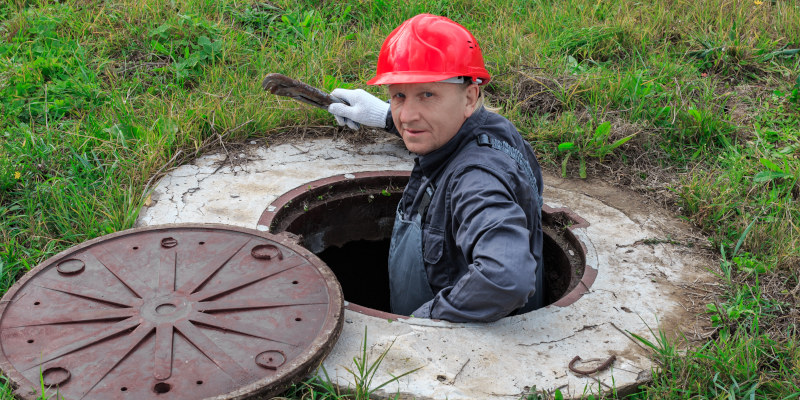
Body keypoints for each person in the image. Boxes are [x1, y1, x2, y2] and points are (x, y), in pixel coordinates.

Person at [327, 14, 544, 323]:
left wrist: (426, 322)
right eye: (399, 95)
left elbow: (506, 277)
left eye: (427, 94)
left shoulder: (475, 179)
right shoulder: (497, 131)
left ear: (470, 97)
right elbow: (428, 120)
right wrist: (384, 116)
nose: (409, 115)